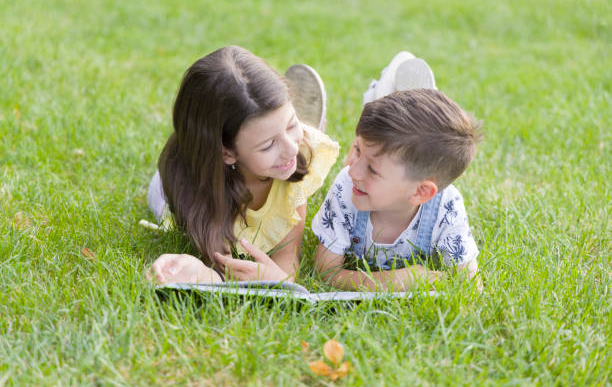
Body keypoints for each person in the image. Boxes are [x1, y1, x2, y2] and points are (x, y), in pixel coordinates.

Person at [147, 46, 339, 284]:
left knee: (302, 144)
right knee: (162, 206)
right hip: (174, 186)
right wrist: (205, 274)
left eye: (291, 124)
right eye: (268, 145)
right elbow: (221, 272)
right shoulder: (199, 195)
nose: (291, 149)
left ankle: (297, 127)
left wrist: (278, 278)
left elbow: (288, 257)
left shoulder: (298, 156)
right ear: (227, 153)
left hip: (257, 160)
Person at [312, 53, 482, 291]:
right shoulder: (347, 187)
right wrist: (391, 281)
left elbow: (470, 285)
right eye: (356, 150)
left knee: (396, 148)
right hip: (385, 178)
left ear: (422, 192)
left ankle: (407, 107)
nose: (353, 171)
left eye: (372, 169)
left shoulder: (446, 205)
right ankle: (391, 105)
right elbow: (326, 271)